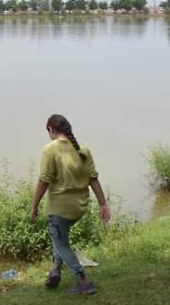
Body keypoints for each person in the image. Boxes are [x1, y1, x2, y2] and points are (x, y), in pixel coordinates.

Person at [30, 114, 111, 295]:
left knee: (61, 243)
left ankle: (83, 281)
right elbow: (94, 179)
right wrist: (103, 204)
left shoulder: (50, 150)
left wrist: (34, 205)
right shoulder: (83, 149)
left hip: (60, 208)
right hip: (80, 207)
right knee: (58, 237)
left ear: (51, 130)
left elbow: (44, 181)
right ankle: (55, 270)